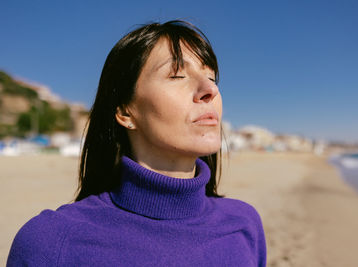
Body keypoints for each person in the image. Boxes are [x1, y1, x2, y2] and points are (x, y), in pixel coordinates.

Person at [7, 20, 267, 266]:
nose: (211, 90)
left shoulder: (244, 223)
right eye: (177, 75)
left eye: (212, 78)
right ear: (126, 112)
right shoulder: (49, 243)